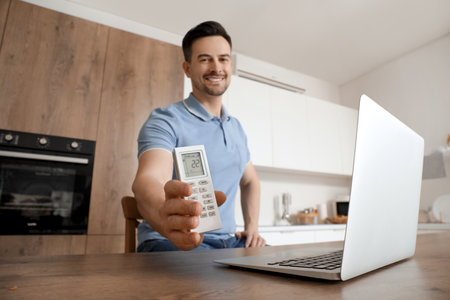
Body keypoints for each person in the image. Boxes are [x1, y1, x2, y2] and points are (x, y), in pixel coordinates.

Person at [132, 21, 266, 252]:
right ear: (187, 68)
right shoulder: (166, 120)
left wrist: (252, 226)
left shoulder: (237, 128)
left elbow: (250, 181)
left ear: (230, 66)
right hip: (171, 240)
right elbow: (149, 179)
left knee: (285, 275)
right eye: (205, 59)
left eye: (223, 59)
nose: (216, 67)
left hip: (230, 242)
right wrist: (165, 220)